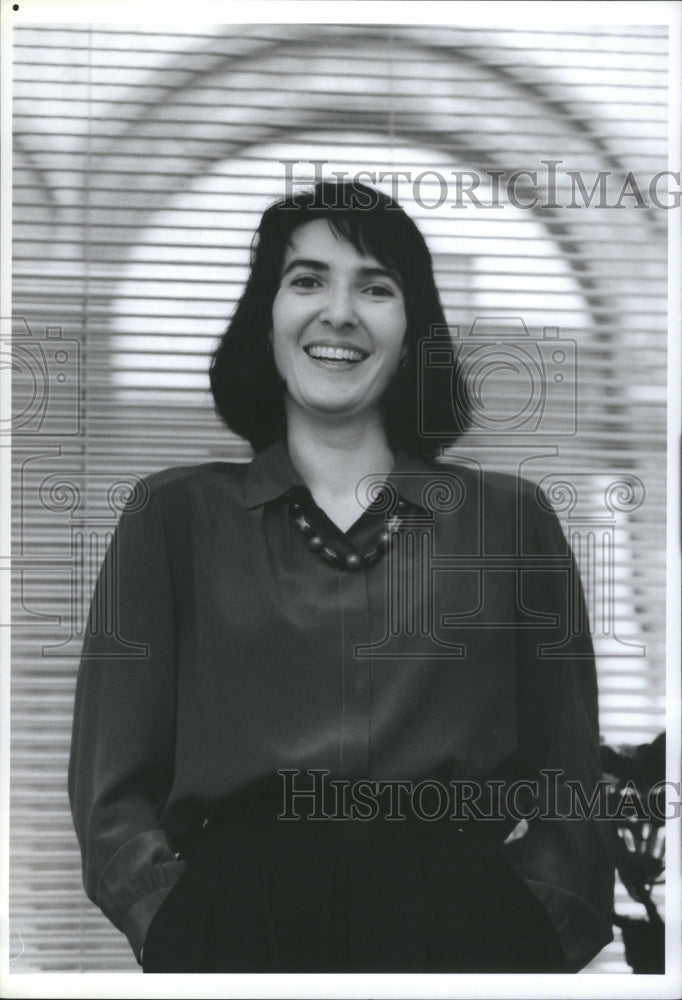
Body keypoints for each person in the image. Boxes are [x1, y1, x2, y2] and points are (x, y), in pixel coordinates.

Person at [69, 180, 614, 974]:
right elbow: (110, 787)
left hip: (464, 931)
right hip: (234, 930)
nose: (340, 313)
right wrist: (174, 924)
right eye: (307, 280)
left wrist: (527, 934)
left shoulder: (513, 521)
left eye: (377, 287)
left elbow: (572, 784)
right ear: (267, 317)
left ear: (413, 328)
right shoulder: (169, 518)